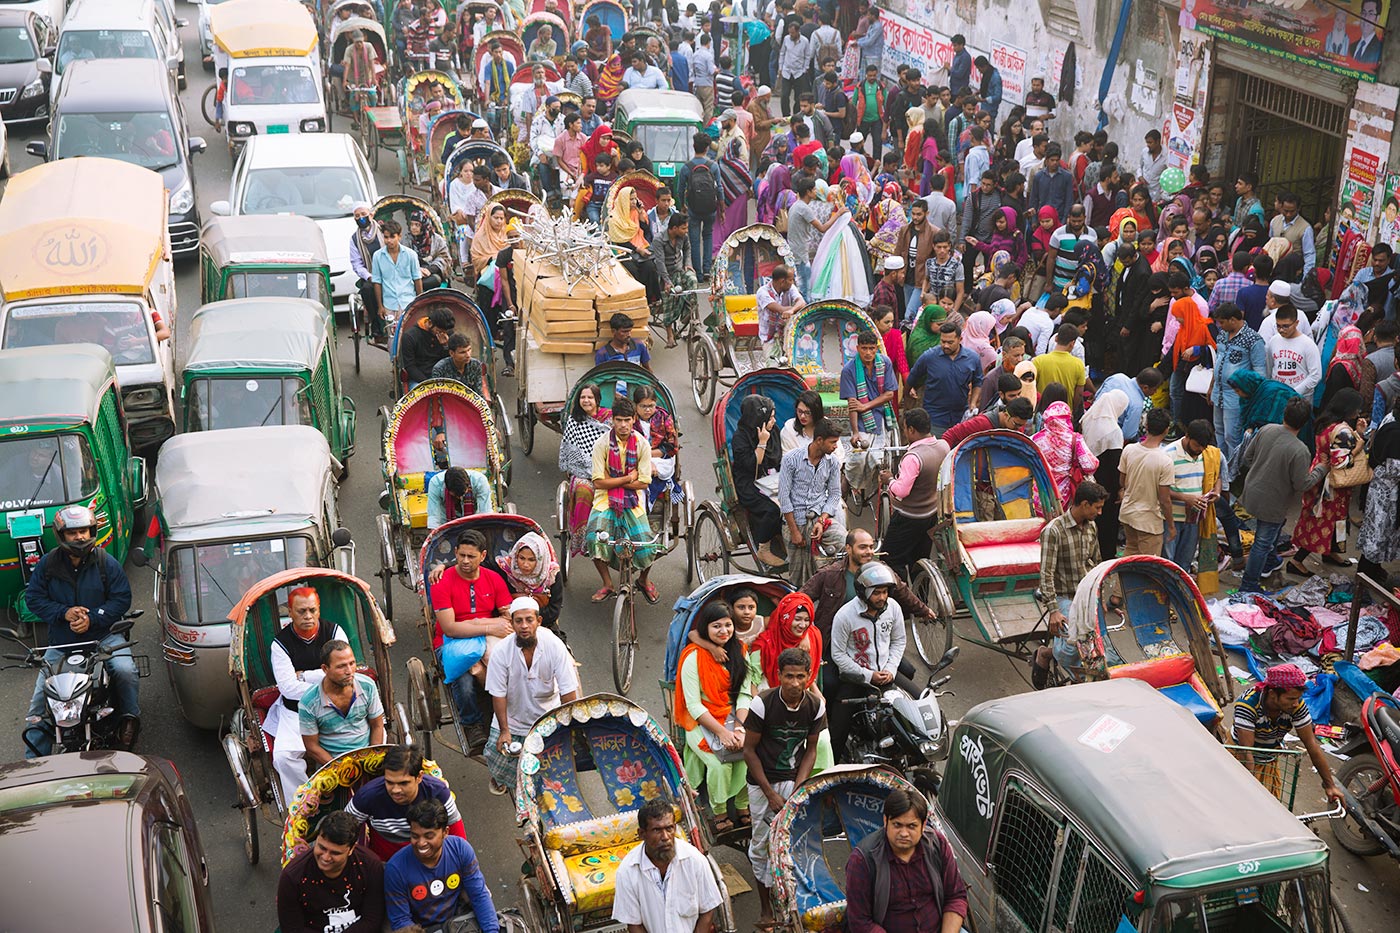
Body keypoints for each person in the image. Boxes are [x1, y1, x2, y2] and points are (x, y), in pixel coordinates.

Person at [22, 505, 137, 757]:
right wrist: (63, 612)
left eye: (83, 531)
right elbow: (34, 599)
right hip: (62, 642)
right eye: (73, 533)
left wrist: (93, 618)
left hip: (104, 636)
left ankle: (130, 719)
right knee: (40, 702)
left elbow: (121, 599)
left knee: (125, 671)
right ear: (61, 536)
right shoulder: (47, 565)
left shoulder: (107, 563)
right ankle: (31, 762)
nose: (80, 537)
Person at [743, 646, 826, 926]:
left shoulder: (815, 706)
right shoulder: (762, 703)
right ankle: (765, 908)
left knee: (791, 841)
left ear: (808, 676)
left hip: (792, 776)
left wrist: (798, 790)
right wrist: (769, 794)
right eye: (788, 676)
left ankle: (793, 900)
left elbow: (810, 750)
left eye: (800, 677)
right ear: (778, 675)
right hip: (762, 779)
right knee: (761, 843)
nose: (794, 683)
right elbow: (749, 751)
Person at [800, 528, 931, 689]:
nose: (869, 552)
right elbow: (801, 600)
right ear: (848, 548)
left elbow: (902, 591)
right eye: (863, 547)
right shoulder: (830, 575)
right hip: (835, 643)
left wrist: (924, 611)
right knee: (830, 683)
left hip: (871, 642)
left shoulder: (881, 571)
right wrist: (804, 633)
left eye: (871, 547)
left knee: (908, 671)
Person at [484, 596, 580, 796]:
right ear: (512, 623)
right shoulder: (501, 652)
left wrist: (566, 728)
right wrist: (504, 730)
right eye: (518, 621)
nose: (524, 626)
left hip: (548, 717)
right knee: (496, 756)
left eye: (529, 620)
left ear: (539, 621)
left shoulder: (554, 646)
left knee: (560, 765)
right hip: (513, 719)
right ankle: (502, 777)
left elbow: (568, 691)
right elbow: (499, 694)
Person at [266, 587, 351, 805]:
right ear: (291, 613)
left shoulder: (334, 632)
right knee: (283, 758)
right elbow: (287, 688)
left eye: (312, 610)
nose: (307, 616)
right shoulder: (280, 644)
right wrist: (327, 682)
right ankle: (304, 806)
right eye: (301, 611)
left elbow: (344, 671)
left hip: (336, 706)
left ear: (319, 610)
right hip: (296, 712)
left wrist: (304, 676)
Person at [430, 529, 513, 748]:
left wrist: (496, 625)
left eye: (471, 556)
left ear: (483, 556)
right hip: (451, 643)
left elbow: (507, 614)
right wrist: (486, 626)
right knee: (465, 683)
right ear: (455, 552)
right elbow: (450, 629)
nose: (465, 561)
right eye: (461, 555)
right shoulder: (442, 582)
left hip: (487, 638)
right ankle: (472, 724)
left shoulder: (493, 579)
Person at [1239, 397, 1331, 592]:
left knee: (1270, 533)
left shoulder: (1266, 429)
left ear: (1284, 415)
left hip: (1251, 491)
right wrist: (1322, 469)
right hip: (1272, 503)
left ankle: (1271, 561)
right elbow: (1302, 484)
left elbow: (1247, 457)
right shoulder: (1300, 450)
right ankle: (1249, 584)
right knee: (1262, 542)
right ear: (1305, 423)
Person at [845, 788, 969, 933]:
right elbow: (860, 922)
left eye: (911, 826)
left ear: (923, 826)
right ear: (886, 821)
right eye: (897, 825)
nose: (904, 833)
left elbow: (955, 896)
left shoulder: (937, 845)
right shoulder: (863, 860)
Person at [675, 602, 752, 829]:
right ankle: (719, 812)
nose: (723, 631)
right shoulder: (693, 657)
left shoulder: (740, 651)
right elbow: (694, 706)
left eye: (728, 625)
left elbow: (745, 695)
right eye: (716, 626)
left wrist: (739, 729)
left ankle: (742, 804)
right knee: (720, 764)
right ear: (705, 629)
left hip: (732, 717)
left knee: (749, 755)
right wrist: (721, 733)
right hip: (700, 722)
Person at [384, 799, 500, 932]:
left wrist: (492, 931)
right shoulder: (395, 868)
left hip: (460, 922)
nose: (421, 843)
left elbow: (478, 895)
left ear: (445, 832)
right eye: (415, 836)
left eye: (429, 836)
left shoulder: (460, 849)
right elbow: (401, 921)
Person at [612, 797, 725, 933]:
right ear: (642, 834)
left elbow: (707, 910)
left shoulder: (694, 860)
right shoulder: (627, 871)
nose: (665, 837)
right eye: (657, 830)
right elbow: (634, 924)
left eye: (669, 828)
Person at [1233, 664, 1343, 802]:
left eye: (1298, 698)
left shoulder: (1296, 706)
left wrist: (1330, 786)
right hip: (1241, 759)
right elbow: (1246, 754)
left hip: (1269, 757)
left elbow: (1311, 744)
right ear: (1272, 693)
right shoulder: (1247, 706)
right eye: (1291, 699)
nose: (1296, 703)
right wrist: (1250, 790)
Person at [828, 562, 906, 758]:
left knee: (910, 720)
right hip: (855, 681)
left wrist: (891, 670)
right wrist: (868, 675)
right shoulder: (844, 616)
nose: (882, 597)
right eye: (877, 592)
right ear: (863, 592)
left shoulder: (894, 608)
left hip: (887, 677)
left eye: (885, 591)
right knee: (836, 734)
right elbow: (838, 654)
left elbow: (898, 641)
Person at [586, 398, 660, 603]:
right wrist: (628, 478)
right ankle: (608, 584)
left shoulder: (642, 445)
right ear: (613, 421)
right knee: (594, 538)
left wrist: (614, 482)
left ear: (633, 419)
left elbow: (644, 483)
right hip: (604, 500)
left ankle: (644, 580)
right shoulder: (601, 444)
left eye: (627, 420)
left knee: (647, 543)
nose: (623, 425)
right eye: (619, 420)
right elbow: (598, 483)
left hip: (634, 501)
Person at [1287, 389, 1367, 576]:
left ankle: (1331, 552)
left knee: (1330, 520)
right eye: (1357, 408)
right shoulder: (1343, 431)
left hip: (1319, 476)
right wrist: (1359, 444)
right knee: (1323, 522)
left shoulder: (1326, 423)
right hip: (1331, 486)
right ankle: (1296, 561)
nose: (1359, 412)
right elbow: (1341, 461)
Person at [344, 745, 466, 860]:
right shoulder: (367, 796)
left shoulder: (439, 792)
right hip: (386, 863)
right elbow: (343, 830)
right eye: (389, 782)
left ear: (419, 777)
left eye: (403, 783)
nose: (395, 790)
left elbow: (458, 838)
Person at [1040, 481, 1109, 675]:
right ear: (1085, 504)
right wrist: (1053, 610)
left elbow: (1096, 564)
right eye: (1098, 507)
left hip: (1086, 595)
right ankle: (1047, 653)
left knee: (1101, 646)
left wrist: (1099, 596)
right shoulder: (1053, 531)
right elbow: (1046, 574)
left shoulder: (1092, 527)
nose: (1100, 513)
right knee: (1072, 647)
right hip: (1065, 596)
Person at [277, 810, 385, 933]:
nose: (325, 857)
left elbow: (372, 919)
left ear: (351, 849)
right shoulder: (293, 876)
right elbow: (292, 928)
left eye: (335, 853)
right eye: (321, 848)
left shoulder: (370, 866)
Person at [298, 640, 386, 783]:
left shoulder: (367, 686)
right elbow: (311, 746)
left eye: (352, 663)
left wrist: (373, 760)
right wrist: (341, 769)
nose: (349, 671)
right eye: (341, 666)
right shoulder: (309, 702)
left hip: (366, 754)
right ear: (325, 669)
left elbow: (377, 725)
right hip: (332, 763)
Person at [882, 408, 952, 577]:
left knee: (891, 560)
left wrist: (890, 480)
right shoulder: (944, 446)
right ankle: (921, 598)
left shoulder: (913, 457)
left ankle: (901, 597)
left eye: (905, 429)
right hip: (931, 514)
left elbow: (901, 491)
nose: (905, 432)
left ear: (911, 430)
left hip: (908, 517)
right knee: (920, 559)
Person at [778, 417, 846, 581]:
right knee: (798, 578)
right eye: (832, 442)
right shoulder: (791, 460)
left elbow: (835, 494)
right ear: (819, 440)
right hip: (795, 520)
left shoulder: (833, 462)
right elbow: (784, 497)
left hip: (819, 519)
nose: (835, 446)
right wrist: (794, 531)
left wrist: (821, 521)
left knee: (844, 543)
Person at [840, 331, 897, 496]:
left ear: (876, 348)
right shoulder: (849, 370)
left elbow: (889, 394)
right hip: (861, 421)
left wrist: (865, 406)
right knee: (857, 461)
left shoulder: (885, 363)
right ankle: (847, 482)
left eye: (872, 348)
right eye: (864, 348)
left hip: (882, 418)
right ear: (857, 348)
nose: (868, 353)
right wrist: (855, 432)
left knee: (879, 460)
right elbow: (852, 404)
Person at [908, 322, 983, 436]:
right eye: (943, 341)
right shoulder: (929, 357)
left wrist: (973, 403)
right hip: (935, 418)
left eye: (950, 342)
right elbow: (912, 377)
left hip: (960, 417)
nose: (946, 346)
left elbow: (978, 381)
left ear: (960, 339)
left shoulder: (973, 358)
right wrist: (908, 396)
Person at [1162, 419, 1214, 570]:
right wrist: (1185, 498)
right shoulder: (1168, 455)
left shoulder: (1207, 454)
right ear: (1187, 436)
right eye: (1197, 445)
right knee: (1168, 561)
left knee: (1185, 560)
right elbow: (1160, 490)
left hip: (1193, 518)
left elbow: (1216, 476)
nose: (1199, 450)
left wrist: (1215, 492)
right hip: (1171, 518)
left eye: (1203, 447)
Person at [1033, 400, 1099, 510]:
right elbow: (1090, 465)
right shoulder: (1075, 439)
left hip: (1039, 494)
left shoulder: (1035, 439)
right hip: (1063, 495)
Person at [677, 131, 723, 278]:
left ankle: (698, 272)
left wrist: (683, 206)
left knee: (694, 240)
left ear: (693, 146)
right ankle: (708, 269)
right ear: (707, 148)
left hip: (693, 209)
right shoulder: (713, 166)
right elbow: (719, 188)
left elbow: (680, 189)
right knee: (708, 236)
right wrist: (721, 209)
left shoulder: (687, 167)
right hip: (710, 208)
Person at [371, 219, 422, 342]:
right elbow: (377, 282)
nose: (389, 241)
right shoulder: (378, 256)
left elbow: (417, 279)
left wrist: (420, 302)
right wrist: (380, 306)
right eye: (386, 237)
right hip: (389, 304)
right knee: (392, 339)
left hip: (408, 301)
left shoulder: (410, 255)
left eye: (392, 237)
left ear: (399, 236)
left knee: (410, 337)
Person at [425, 465, 495, 530]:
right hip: (447, 523)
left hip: (474, 521)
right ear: (447, 488)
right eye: (455, 496)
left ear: (468, 485)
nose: (460, 498)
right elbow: (434, 517)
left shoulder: (480, 481)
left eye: (463, 494)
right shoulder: (435, 484)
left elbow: (485, 513)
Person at [399, 305, 453, 389]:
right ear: (430, 323)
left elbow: (450, 361)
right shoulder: (410, 336)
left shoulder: (447, 334)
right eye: (439, 331)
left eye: (444, 332)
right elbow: (410, 366)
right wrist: (427, 384)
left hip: (442, 376)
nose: (442, 334)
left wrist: (445, 346)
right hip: (419, 378)